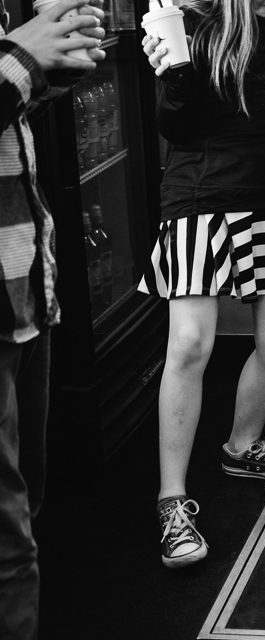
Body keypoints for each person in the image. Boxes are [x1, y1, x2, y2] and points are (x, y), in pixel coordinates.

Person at [138, 0, 265, 569]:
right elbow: (174, 126)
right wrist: (173, 71)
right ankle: (170, 501)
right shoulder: (194, 24)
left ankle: (243, 448)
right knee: (191, 345)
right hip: (200, 194)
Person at [0, 1, 104, 636]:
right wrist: (21, 58)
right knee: (8, 551)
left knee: (25, 513)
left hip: (21, 293)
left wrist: (52, 63)